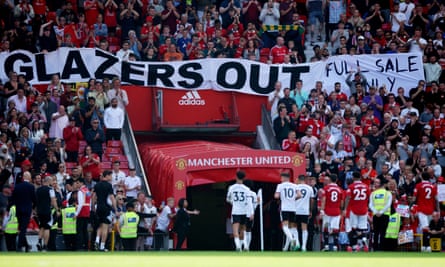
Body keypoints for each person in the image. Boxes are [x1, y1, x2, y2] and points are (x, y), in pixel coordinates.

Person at [91, 170, 119, 252]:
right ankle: (102, 246)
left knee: (100, 225)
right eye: (110, 175)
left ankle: (97, 240)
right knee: (105, 227)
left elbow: (93, 197)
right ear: (107, 176)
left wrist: (93, 207)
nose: (111, 177)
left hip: (98, 207)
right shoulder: (109, 185)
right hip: (106, 208)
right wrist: (115, 209)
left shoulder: (97, 185)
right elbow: (112, 198)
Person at [226, 170, 253, 251]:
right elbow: (249, 201)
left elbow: (228, 199)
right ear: (244, 178)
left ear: (236, 177)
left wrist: (233, 203)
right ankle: (244, 246)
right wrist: (251, 212)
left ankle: (238, 246)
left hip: (235, 211)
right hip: (244, 211)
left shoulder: (231, 187)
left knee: (235, 230)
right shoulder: (247, 189)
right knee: (242, 230)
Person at [345, 171, 371, 252]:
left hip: (354, 209)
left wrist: (345, 208)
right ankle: (363, 243)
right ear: (360, 177)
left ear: (353, 177)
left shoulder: (351, 186)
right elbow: (369, 197)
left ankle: (355, 245)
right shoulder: (366, 187)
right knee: (362, 228)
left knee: (354, 228)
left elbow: (348, 197)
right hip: (363, 209)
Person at [274, 172, 300, 251]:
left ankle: (293, 241)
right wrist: (292, 199)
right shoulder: (294, 185)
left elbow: (276, 196)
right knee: (292, 228)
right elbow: (299, 195)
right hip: (293, 208)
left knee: (285, 227)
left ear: (285, 178)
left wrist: (281, 198)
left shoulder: (280, 186)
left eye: (281, 178)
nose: (281, 179)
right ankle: (289, 246)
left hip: (285, 208)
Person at [11, 171, 36, 252]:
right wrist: (33, 208)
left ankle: (26, 245)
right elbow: (34, 199)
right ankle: (19, 245)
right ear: (28, 177)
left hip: (18, 210)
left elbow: (12, 199)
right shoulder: (31, 186)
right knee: (23, 229)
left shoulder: (17, 186)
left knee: (22, 228)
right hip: (27, 211)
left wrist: (9, 208)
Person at [413, 172, 438, 252]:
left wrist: (412, 205)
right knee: (427, 227)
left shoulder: (418, 185)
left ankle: (426, 247)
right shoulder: (433, 186)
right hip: (430, 209)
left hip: (422, 209)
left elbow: (414, 198)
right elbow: (436, 199)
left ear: (421, 177)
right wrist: (437, 210)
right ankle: (425, 246)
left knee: (425, 228)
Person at [320, 174, 344, 251]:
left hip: (327, 211)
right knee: (335, 228)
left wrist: (322, 210)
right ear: (336, 180)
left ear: (330, 180)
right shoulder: (340, 189)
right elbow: (342, 202)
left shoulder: (326, 188)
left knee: (326, 227)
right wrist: (341, 209)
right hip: (336, 211)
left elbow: (324, 199)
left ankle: (326, 245)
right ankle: (335, 246)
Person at [35, 176, 59, 252]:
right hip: (47, 211)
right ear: (49, 181)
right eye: (52, 181)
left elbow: (35, 200)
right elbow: (53, 200)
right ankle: (45, 246)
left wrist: (35, 210)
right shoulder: (50, 189)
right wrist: (57, 209)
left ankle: (39, 241)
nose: (52, 183)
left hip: (39, 211)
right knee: (47, 227)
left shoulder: (38, 190)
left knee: (42, 226)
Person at [369, 177, 392, 251]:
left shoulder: (374, 193)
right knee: (381, 232)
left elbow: (370, 205)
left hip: (378, 214)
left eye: (377, 182)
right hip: (384, 214)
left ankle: (377, 248)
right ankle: (380, 248)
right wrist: (380, 212)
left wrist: (376, 212)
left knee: (378, 232)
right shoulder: (387, 193)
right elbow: (388, 204)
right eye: (375, 182)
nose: (375, 184)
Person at [294, 174, 315, 252]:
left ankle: (297, 244)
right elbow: (312, 200)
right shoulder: (309, 188)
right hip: (305, 210)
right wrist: (310, 210)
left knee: (294, 227)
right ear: (305, 180)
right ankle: (304, 247)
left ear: (299, 180)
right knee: (304, 228)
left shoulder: (295, 187)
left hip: (295, 210)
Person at [74, 178, 91, 251]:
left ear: (81, 183)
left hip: (81, 212)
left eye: (77, 183)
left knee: (79, 230)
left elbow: (80, 203)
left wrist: (76, 213)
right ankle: (86, 246)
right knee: (85, 230)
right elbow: (89, 202)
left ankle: (80, 246)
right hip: (87, 211)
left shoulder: (80, 191)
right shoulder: (87, 190)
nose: (76, 185)